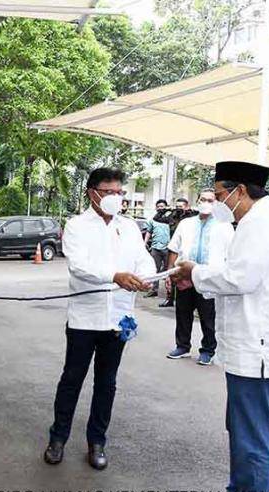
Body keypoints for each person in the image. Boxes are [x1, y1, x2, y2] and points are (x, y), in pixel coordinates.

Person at [173, 161, 269, 492]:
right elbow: (236, 274)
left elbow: (239, 278)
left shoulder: (264, 223)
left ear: (241, 190)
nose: (218, 203)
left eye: (220, 196)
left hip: (260, 350)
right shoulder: (256, 221)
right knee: (241, 429)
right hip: (251, 347)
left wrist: (193, 272)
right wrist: (198, 276)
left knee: (253, 437)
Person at [44, 168, 155, 470]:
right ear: (92, 192)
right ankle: (58, 439)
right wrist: (115, 276)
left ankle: (97, 441)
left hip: (119, 320)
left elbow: (142, 259)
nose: (115, 197)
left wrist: (148, 278)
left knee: (107, 383)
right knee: (72, 380)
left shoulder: (129, 227)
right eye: (109, 192)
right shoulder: (78, 226)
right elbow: (79, 266)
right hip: (84, 318)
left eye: (119, 192)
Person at [166, 189, 234, 366]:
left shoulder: (224, 226)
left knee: (208, 316)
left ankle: (208, 350)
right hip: (184, 276)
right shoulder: (186, 224)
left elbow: (231, 254)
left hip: (209, 278)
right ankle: (182, 346)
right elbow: (173, 248)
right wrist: (169, 274)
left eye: (210, 200)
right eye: (203, 199)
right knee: (183, 312)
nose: (206, 203)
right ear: (197, 201)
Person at [144, 199, 171, 298]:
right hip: (155, 248)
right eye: (158, 206)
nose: (160, 208)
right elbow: (148, 232)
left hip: (168, 248)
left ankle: (170, 293)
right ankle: (154, 289)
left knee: (169, 270)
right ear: (156, 208)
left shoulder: (170, 219)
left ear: (166, 207)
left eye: (162, 206)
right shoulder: (152, 220)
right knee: (155, 269)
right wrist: (145, 243)